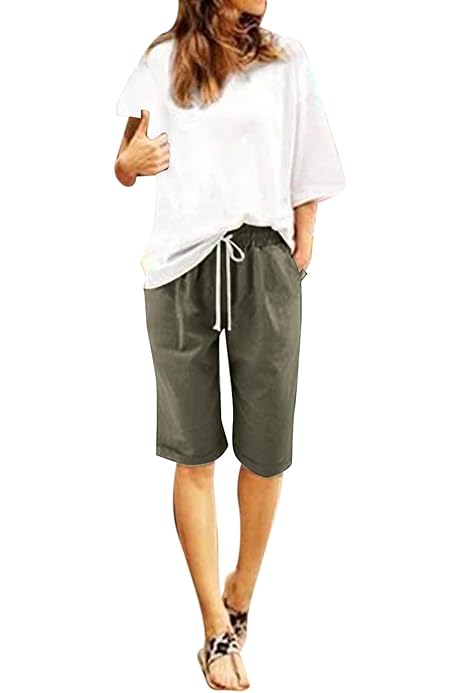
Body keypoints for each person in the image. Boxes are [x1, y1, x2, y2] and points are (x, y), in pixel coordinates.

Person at [114, 0, 345, 689]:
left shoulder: (286, 58)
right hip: (179, 270)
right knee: (193, 454)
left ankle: (241, 588)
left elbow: (309, 156)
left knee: (266, 452)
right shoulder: (162, 60)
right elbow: (124, 161)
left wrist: (303, 241)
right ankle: (215, 626)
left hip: (263, 263)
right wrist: (128, 162)